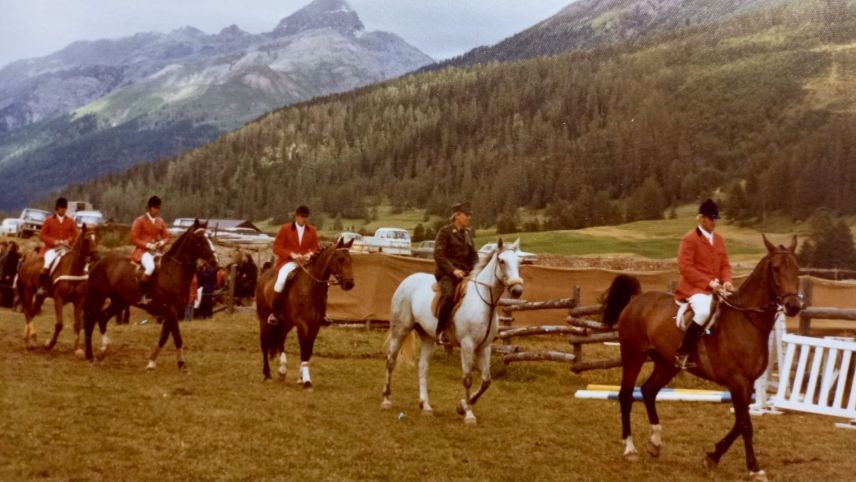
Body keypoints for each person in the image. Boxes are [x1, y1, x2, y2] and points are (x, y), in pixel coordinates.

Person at [674, 198, 734, 369]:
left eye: (715, 219)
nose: (714, 222)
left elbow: (724, 265)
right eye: (711, 219)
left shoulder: (719, 240)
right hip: (694, 288)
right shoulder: (689, 239)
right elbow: (685, 267)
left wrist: (727, 281)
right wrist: (708, 283)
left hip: (717, 288)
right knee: (702, 312)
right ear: (702, 219)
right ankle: (683, 353)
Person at [433, 202, 479, 344]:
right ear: (457, 215)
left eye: (469, 215)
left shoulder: (467, 234)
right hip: (447, 274)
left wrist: (476, 270)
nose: (469, 217)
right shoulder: (445, 232)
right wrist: (453, 270)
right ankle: (440, 332)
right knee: (449, 296)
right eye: (466, 214)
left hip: (465, 274)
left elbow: (473, 256)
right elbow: (439, 255)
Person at [269, 205, 319, 325]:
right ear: (296, 216)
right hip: (289, 262)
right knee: (281, 280)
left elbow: (315, 248)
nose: (304, 219)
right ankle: (275, 312)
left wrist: (310, 254)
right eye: (302, 216)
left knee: (318, 280)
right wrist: (292, 255)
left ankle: (319, 312)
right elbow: (277, 247)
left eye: (306, 217)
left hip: (306, 263)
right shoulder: (285, 229)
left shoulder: (312, 230)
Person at [130, 196, 170, 303]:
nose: (158, 210)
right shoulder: (139, 221)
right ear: (150, 208)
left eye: (159, 208)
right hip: (143, 251)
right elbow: (134, 239)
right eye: (156, 208)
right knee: (150, 267)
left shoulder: (160, 221)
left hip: (157, 251)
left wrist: (160, 243)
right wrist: (148, 245)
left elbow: (167, 237)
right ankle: (141, 293)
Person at [37, 197, 79, 296]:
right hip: (51, 249)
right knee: (48, 263)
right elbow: (42, 235)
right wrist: (54, 241)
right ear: (57, 208)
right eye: (62, 208)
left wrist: (69, 240)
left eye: (65, 209)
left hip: (65, 248)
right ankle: (41, 286)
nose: (64, 211)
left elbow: (76, 234)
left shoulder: (70, 221)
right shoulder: (49, 220)